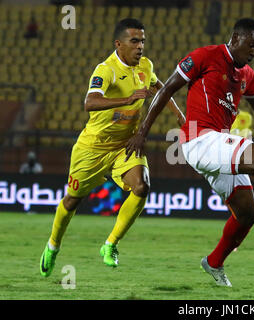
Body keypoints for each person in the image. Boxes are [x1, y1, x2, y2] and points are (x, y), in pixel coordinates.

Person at [125, 18, 254, 286]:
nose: (253, 52)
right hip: (198, 139)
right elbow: (166, 90)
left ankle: (214, 262)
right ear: (236, 38)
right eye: (251, 45)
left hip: (218, 144)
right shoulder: (205, 56)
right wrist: (142, 132)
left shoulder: (247, 75)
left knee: (247, 215)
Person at [39, 18, 185, 277]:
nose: (140, 46)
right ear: (119, 44)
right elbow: (90, 102)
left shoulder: (145, 65)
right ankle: (53, 245)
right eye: (134, 41)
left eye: (142, 41)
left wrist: (178, 113)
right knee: (73, 200)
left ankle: (111, 244)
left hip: (124, 146)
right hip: (92, 148)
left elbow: (158, 86)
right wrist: (127, 99)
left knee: (142, 186)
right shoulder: (105, 70)